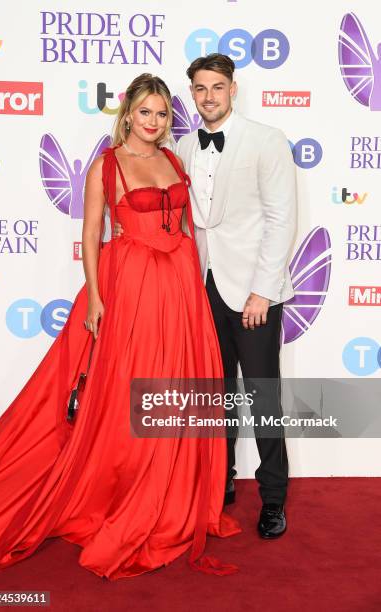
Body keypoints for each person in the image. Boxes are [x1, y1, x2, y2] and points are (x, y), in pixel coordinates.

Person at [0, 73, 241, 580]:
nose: (154, 122)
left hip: (179, 288)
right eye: (146, 112)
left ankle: (173, 487)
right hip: (132, 285)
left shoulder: (173, 160)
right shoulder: (106, 165)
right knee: (128, 389)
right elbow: (92, 234)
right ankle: (128, 482)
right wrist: (96, 297)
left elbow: (186, 228)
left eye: (162, 114)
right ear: (127, 115)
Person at [178, 54, 297, 539]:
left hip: (253, 294)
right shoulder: (183, 145)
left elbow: (280, 219)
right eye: (200, 88)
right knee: (217, 394)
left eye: (217, 87)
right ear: (192, 93)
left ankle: (273, 498)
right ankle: (221, 479)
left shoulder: (266, 140)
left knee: (261, 395)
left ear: (233, 89)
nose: (209, 96)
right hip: (201, 287)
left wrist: (261, 293)